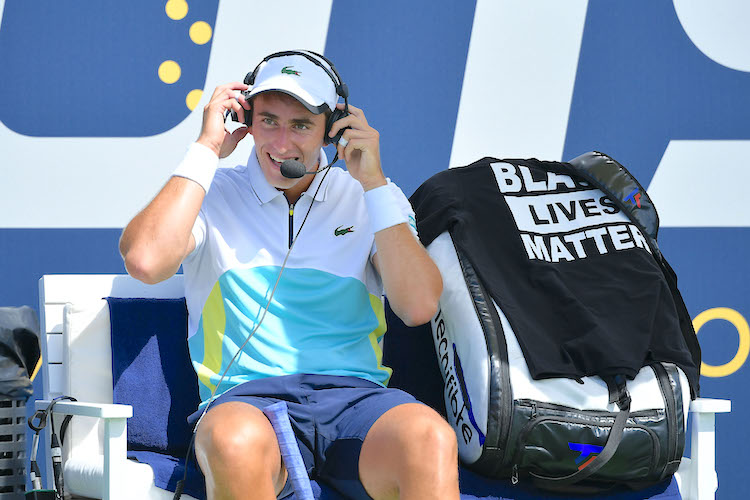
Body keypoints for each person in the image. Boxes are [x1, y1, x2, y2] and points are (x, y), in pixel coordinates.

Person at [119, 50, 458, 499]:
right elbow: (144, 261)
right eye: (268, 121)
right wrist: (205, 150)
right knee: (232, 439)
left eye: (300, 125)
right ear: (245, 120)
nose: (281, 143)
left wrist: (373, 184)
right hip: (247, 404)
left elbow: (418, 306)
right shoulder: (209, 191)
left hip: (357, 401)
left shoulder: (374, 196)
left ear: (333, 129)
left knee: (429, 437)